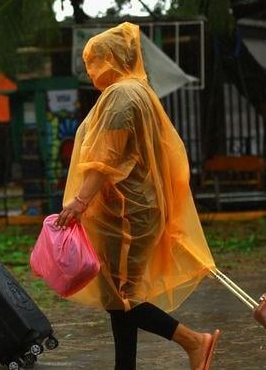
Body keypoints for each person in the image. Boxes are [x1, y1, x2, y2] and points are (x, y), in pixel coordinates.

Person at [54, 23, 220, 370]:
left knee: (121, 297)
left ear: (112, 58)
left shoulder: (122, 96)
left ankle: (193, 341)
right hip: (130, 210)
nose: (90, 70)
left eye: (95, 61)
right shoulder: (137, 91)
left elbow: (106, 159)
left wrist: (79, 202)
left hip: (127, 213)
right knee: (119, 295)